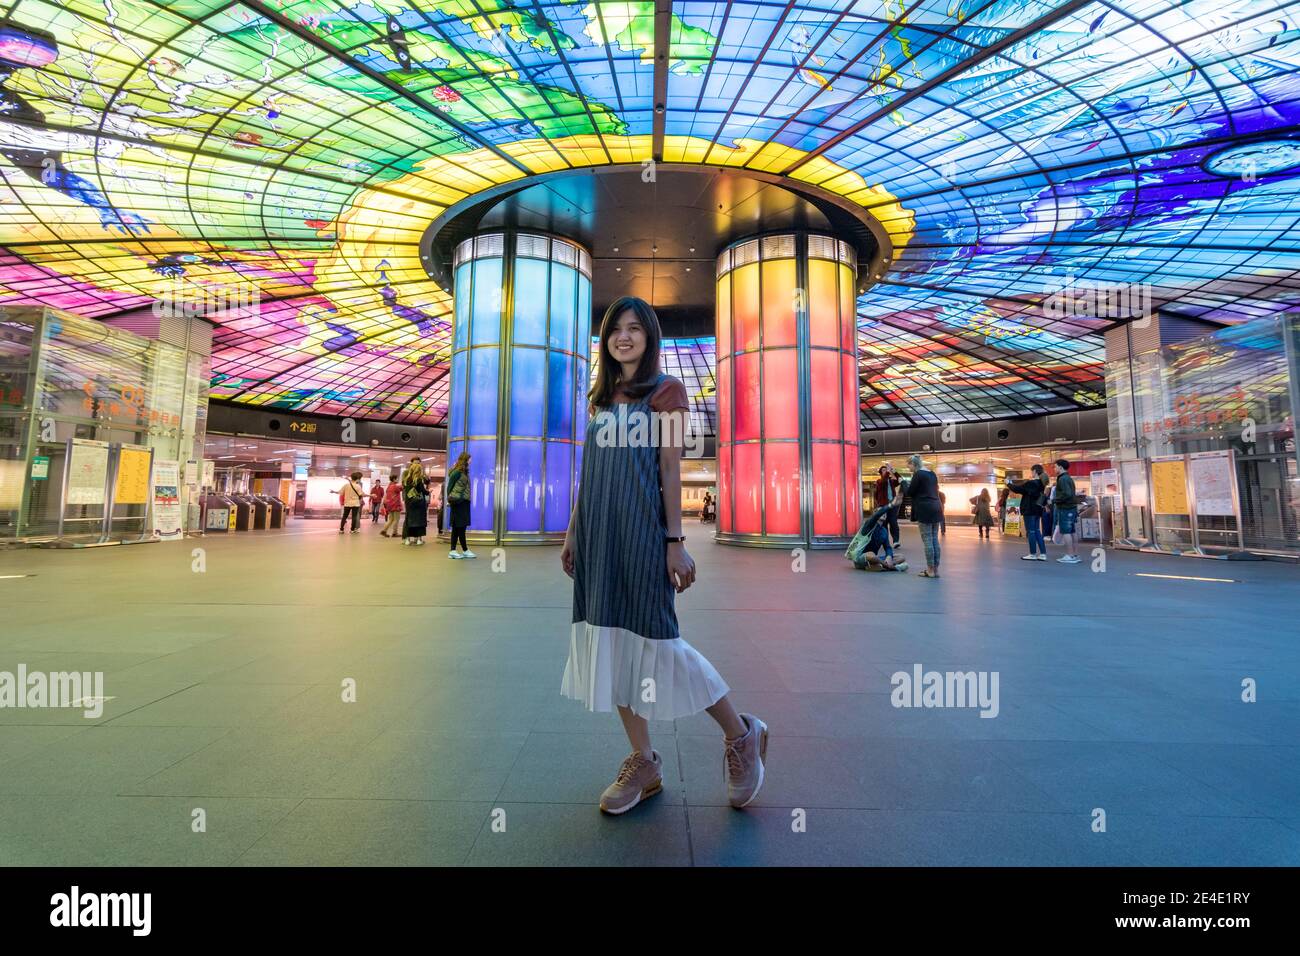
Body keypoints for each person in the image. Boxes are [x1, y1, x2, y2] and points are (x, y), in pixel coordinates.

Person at [560, 295, 766, 816]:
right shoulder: (600, 397)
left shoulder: (668, 393)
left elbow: (670, 470)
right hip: (599, 536)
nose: (623, 337)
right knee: (611, 642)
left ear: (650, 337)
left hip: (642, 534)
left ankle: (741, 735)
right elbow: (590, 476)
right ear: (605, 341)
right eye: (614, 330)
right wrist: (572, 532)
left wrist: (674, 542)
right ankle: (643, 760)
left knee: (661, 643)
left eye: (635, 328)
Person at [906, 454, 943, 578]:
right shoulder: (932, 474)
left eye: (909, 465)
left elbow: (910, 492)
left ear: (914, 464)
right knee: (934, 540)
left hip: (924, 508)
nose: (908, 468)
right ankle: (936, 570)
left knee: (927, 540)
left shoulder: (918, 474)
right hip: (936, 507)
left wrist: (903, 484)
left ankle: (930, 570)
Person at [847, 500, 908, 572]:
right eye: (881, 512)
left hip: (875, 559)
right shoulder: (868, 525)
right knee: (872, 555)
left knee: (901, 557)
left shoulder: (884, 531)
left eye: (885, 513)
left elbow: (888, 547)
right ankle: (892, 567)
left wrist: (889, 556)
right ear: (875, 514)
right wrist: (890, 505)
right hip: (862, 558)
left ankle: (878, 566)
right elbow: (876, 516)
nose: (884, 513)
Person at [1006, 465, 1049, 560]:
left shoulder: (1031, 483)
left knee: (1031, 531)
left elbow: (1018, 489)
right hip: (1038, 510)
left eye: (1032, 471)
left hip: (1029, 510)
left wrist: (1008, 483)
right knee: (1037, 530)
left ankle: (1032, 554)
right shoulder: (1042, 484)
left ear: (1034, 471)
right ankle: (1043, 554)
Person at [1051, 459, 1081, 564]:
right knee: (1072, 531)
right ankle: (1075, 555)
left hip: (1065, 508)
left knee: (1066, 531)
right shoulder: (1068, 478)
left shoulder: (1062, 479)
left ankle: (1070, 555)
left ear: (1060, 467)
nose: (1054, 469)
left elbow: (1066, 494)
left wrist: (1054, 500)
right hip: (1071, 508)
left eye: (1055, 467)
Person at [446, 451, 475, 559]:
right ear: (466, 459)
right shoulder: (457, 472)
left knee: (460, 527)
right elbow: (449, 487)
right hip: (459, 501)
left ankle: (463, 550)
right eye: (470, 458)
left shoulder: (464, 471)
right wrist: (451, 498)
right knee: (458, 527)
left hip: (463, 501)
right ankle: (454, 550)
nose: (471, 460)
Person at [873, 464, 902, 547]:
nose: (886, 471)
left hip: (892, 505)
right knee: (884, 524)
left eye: (886, 470)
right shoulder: (879, 481)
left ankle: (896, 541)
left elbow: (900, 480)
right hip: (883, 506)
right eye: (884, 470)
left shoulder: (892, 482)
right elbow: (883, 481)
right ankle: (885, 542)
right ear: (880, 473)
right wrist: (888, 472)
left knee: (893, 523)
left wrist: (894, 471)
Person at [402, 460, 430, 546]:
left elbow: (405, 491)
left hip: (410, 503)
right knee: (419, 521)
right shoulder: (418, 480)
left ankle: (407, 539)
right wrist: (429, 491)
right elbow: (424, 491)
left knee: (408, 520)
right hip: (419, 503)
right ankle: (418, 539)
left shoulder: (406, 480)